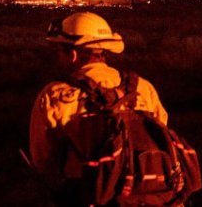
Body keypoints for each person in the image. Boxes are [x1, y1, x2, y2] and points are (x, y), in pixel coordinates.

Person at [28, 11, 170, 203]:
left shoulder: (55, 94)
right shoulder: (143, 87)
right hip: (146, 192)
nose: (57, 58)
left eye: (59, 51)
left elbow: (43, 159)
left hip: (86, 193)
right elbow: (162, 135)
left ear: (73, 54)